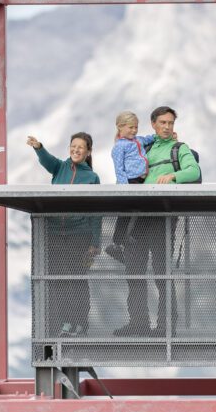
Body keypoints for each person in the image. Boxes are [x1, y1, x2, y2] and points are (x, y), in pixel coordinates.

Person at [116, 106, 201, 336]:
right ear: (153, 124)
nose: (167, 127)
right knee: (134, 272)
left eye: (170, 123)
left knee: (162, 272)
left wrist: (173, 175)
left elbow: (194, 172)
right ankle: (138, 323)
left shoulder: (179, 148)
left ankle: (165, 327)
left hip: (163, 215)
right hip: (140, 215)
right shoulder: (147, 146)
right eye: (162, 123)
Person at [26, 132, 100, 335]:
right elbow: (47, 161)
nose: (76, 150)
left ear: (88, 152)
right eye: (73, 146)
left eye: (80, 147)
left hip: (80, 235)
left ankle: (81, 324)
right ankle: (64, 323)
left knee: (78, 280)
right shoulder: (60, 168)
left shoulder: (92, 177)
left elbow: (96, 212)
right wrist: (39, 147)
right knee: (58, 280)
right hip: (56, 234)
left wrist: (95, 242)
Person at [106, 110, 149, 263]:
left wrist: (160, 137)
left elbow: (148, 138)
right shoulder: (119, 146)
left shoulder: (138, 140)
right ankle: (116, 243)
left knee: (133, 212)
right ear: (120, 127)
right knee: (126, 214)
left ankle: (123, 241)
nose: (134, 130)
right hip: (130, 182)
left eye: (136, 127)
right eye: (130, 127)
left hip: (139, 182)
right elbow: (119, 168)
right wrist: (125, 187)